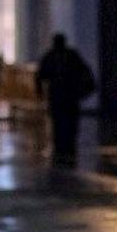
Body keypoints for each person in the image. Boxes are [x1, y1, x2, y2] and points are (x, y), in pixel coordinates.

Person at [35, 33, 96, 166]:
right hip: (70, 97)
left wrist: (40, 93)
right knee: (70, 126)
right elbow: (86, 72)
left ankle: (60, 151)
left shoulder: (51, 56)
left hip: (57, 97)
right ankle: (68, 150)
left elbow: (40, 75)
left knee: (58, 125)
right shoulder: (71, 56)